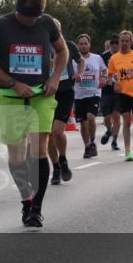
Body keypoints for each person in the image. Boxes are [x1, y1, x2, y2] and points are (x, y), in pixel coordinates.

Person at [0, 0, 68, 228]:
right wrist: (13, 83)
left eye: (36, 17)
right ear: (17, 9)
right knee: (17, 155)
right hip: (11, 97)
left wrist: (55, 77)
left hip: (41, 95)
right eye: (27, 17)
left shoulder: (47, 23)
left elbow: (62, 51)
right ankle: (26, 199)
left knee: (39, 149)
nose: (32, 22)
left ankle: (36, 210)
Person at [106, 30, 133, 162]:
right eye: (122, 41)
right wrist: (114, 83)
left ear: (131, 42)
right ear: (119, 42)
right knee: (126, 122)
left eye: (127, 41)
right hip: (123, 94)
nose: (124, 43)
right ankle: (127, 151)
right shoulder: (114, 58)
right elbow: (109, 76)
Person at [47, 19, 80, 183]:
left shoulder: (69, 46)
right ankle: (56, 168)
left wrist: (78, 73)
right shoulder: (42, 48)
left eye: (56, 30)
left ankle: (63, 158)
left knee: (57, 132)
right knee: (48, 136)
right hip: (46, 94)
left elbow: (81, 61)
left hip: (65, 92)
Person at [74, 33, 105, 158]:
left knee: (91, 117)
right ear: (77, 46)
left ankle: (92, 142)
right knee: (82, 123)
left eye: (85, 43)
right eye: (80, 44)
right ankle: (87, 146)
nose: (83, 46)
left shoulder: (96, 58)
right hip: (79, 95)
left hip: (94, 93)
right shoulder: (73, 60)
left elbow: (104, 69)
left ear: (89, 45)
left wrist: (103, 77)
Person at [99, 36, 123, 149]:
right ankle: (109, 130)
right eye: (112, 43)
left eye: (116, 43)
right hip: (106, 90)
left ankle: (114, 141)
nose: (114, 45)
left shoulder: (124, 55)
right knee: (107, 117)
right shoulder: (103, 56)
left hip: (119, 90)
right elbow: (99, 70)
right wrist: (104, 78)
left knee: (117, 116)